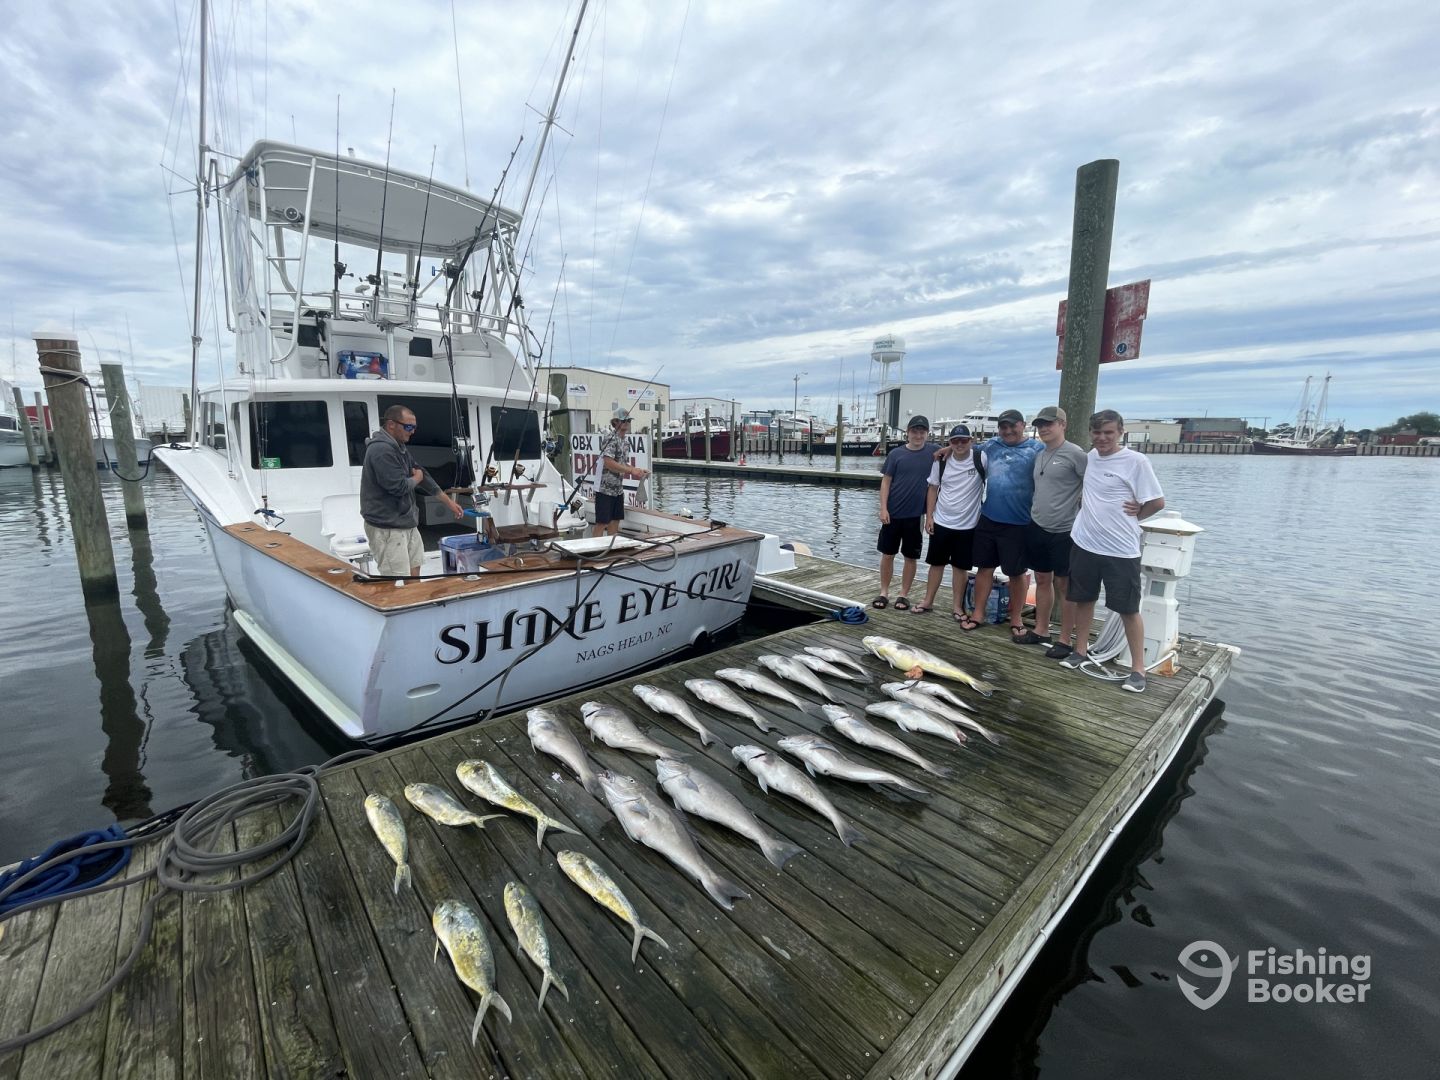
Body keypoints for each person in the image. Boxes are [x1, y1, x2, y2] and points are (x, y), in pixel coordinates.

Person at [1060, 409, 1166, 693]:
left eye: (1108, 432)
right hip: (1085, 543)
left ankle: (1138, 669)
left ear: (1120, 432)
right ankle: (1080, 650)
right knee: (1083, 599)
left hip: (1121, 549)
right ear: (1090, 433)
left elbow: (1157, 502)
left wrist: (1137, 514)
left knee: (1128, 609)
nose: (1102, 438)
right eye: (1097, 432)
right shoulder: (1091, 457)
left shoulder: (1136, 461)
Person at [961, 408, 1044, 639]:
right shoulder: (992, 445)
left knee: (1016, 573)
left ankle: (1016, 618)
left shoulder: (1037, 450)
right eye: (1003, 427)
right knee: (984, 569)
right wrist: (947, 449)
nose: (1007, 431)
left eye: (1012, 426)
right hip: (989, 518)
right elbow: (966, 449)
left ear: (1023, 425)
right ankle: (978, 613)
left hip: (1019, 523)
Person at [360, 404, 465, 576]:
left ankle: (416, 593)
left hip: (406, 522)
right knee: (395, 578)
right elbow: (398, 487)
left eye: (414, 427)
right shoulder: (381, 450)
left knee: (415, 567)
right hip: (387, 527)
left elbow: (423, 475)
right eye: (409, 427)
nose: (413, 431)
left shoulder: (399, 447)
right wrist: (416, 479)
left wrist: (449, 503)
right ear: (391, 424)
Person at [1027, 406, 1089, 657]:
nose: (1043, 428)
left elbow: (1094, 485)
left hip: (1065, 530)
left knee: (1064, 584)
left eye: (1049, 424)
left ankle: (1064, 639)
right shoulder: (1040, 453)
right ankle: (1041, 630)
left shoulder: (1076, 454)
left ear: (1063, 424)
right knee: (1042, 579)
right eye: (1040, 425)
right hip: (1038, 525)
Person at [914, 424, 985, 619]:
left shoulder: (980, 458)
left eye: (964, 440)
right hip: (942, 521)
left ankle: (957, 607)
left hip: (968, 525)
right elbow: (932, 488)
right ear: (950, 442)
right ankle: (928, 601)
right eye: (955, 441)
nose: (960, 444)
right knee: (936, 564)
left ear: (971, 441)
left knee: (960, 568)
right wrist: (929, 516)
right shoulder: (941, 461)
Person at [874, 415, 934, 610]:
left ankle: (903, 594)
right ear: (907, 433)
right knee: (887, 554)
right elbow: (886, 482)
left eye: (922, 432)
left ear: (927, 433)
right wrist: (883, 508)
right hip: (892, 514)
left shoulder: (933, 452)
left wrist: (930, 516)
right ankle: (884, 592)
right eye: (914, 431)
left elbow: (956, 450)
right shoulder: (896, 454)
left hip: (915, 516)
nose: (918, 435)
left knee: (911, 557)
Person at [592, 410, 650, 537]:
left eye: (628, 420)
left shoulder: (626, 442)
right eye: (623, 420)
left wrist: (638, 470)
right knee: (601, 523)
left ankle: (611, 547)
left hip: (618, 490)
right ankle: (594, 548)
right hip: (604, 489)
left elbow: (622, 463)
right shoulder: (610, 438)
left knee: (615, 521)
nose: (626, 423)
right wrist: (631, 470)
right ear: (615, 422)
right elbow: (608, 462)